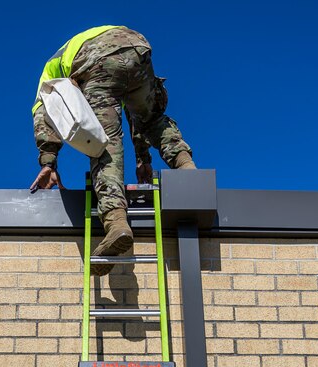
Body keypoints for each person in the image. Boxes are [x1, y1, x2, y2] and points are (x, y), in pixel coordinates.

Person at [29, 25, 196, 275]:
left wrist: (48, 162)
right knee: (151, 118)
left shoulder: (49, 75)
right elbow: (137, 115)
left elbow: (44, 113)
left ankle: (116, 222)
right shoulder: (88, 48)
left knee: (105, 143)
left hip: (95, 57)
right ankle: (187, 169)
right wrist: (143, 159)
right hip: (137, 48)